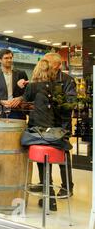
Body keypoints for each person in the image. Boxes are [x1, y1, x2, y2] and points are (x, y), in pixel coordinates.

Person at [21, 59, 60, 211]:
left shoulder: (32, 86)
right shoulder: (57, 87)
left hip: (37, 131)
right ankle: (50, 196)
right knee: (46, 163)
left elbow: (23, 105)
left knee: (36, 156)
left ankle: (48, 196)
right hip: (54, 133)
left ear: (36, 71)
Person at [43, 52, 77, 197]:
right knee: (44, 155)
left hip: (61, 124)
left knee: (62, 155)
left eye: (48, 63)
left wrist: (51, 103)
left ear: (57, 65)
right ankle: (46, 186)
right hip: (45, 123)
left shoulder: (68, 80)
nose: (45, 66)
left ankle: (67, 187)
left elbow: (71, 103)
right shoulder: (44, 79)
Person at [0, 49, 29, 119]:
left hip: (17, 112)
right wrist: (0, 101)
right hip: (0, 112)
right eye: (6, 58)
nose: (9, 60)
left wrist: (20, 98)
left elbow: (29, 93)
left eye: (10, 58)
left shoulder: (21, 74)